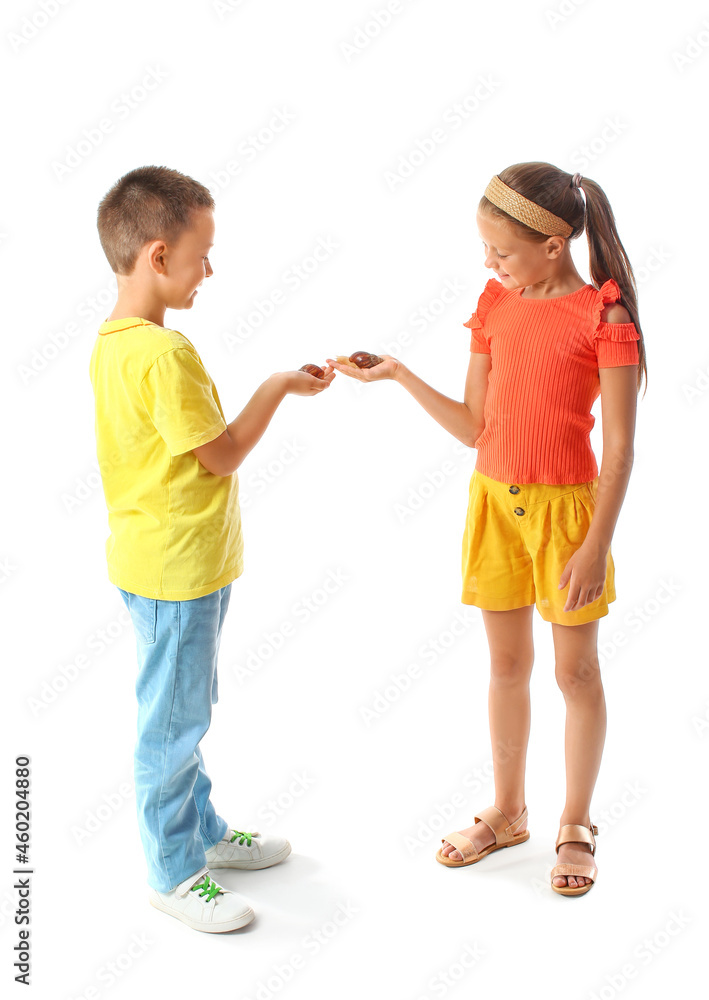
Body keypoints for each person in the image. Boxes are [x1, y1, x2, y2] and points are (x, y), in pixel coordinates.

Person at [327, 161, 646, 897]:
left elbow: (622, 448)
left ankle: (575, 822)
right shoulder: (494, 304)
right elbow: (475, 428)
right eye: (485, 250)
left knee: (575, 672)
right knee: (505, 668)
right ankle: (507, 812)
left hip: (567, 515)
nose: (489, 263)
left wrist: (595, 542)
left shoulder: (603, 316)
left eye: (500, 251)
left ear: (552, 243)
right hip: (492, 506)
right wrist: (401, 375)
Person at [89, 165, 335, 932]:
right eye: (203, 254)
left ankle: (201, 833)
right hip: (176, 572)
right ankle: (172, 871)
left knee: (181, 711)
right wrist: (276, 386)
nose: (210, 271)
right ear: (158, 256)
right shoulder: (164, 355)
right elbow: (220, 454)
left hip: (162, 563)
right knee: (171, 725)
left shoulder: (114, 342)